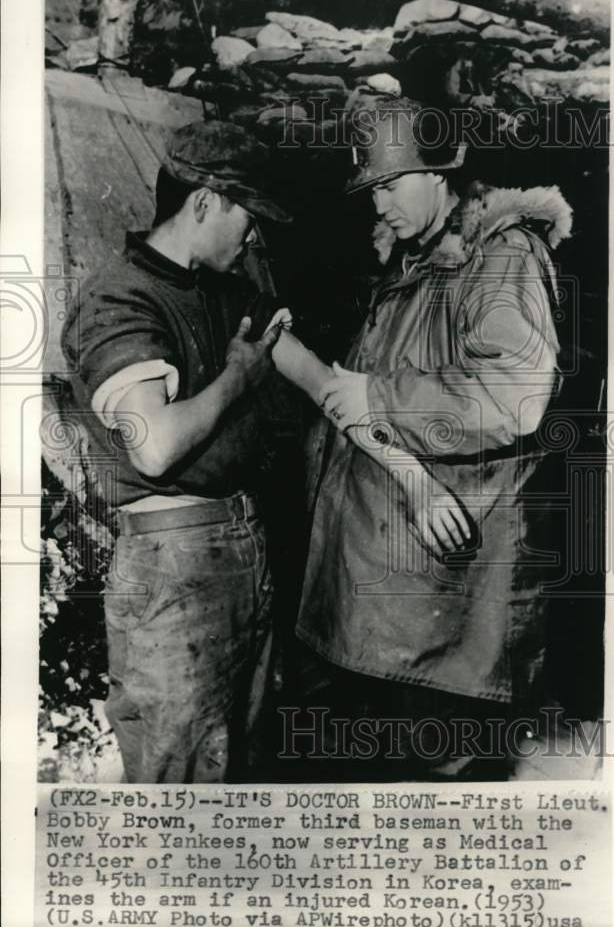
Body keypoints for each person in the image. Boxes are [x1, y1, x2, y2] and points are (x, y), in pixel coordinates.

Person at [61, 118, 465, 784]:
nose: (255, 235)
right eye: (249, 216)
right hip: (173, 562)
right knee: (181, 779)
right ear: (205, 202)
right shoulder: (119, 298)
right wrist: (237, 378)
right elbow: (154, 447)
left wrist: (413, 479)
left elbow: (331, 389)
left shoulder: (238, 296)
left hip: (245, 552)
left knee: (245, 770)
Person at [294, 97, 573, 780]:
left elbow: (514, 394)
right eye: (371, 190)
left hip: (442, 625)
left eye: (391, 184)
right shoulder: (417, 260)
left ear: (442, 174)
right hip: (386, 608)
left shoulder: (501, 259)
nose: (378, 204)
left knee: (430, 800)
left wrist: (380, 396)